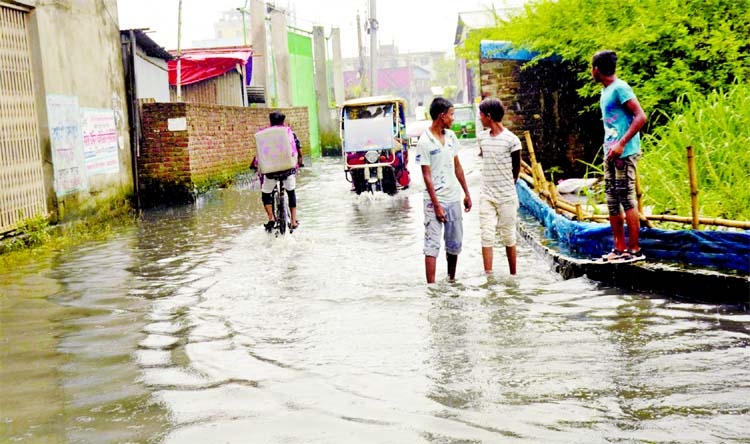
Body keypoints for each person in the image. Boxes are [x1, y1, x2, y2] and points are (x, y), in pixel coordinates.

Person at [591, 50, 647, 262]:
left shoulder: (620, 88)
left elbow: (640, 116)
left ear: (596, 70)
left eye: (591, 68)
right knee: (612, 201)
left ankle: (634, 249)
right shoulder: (605, 91)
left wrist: (622, 144)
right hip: (610, 152)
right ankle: (619, 248)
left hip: (625, 152)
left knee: (627, 198)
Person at [414, 97, 472, 283]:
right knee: (431, 244)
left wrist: (467, 193)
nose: (453, 118)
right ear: (442, 116)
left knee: (454, 243)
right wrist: (437, 205)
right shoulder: (424, 141)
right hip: (433, 201)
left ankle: (451, 279)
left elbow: (457, 167)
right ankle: (431, 287)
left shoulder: (451, 137)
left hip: (453, 197)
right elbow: (426, 176)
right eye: (451, 114)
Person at [477, 97, 521, 275]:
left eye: (481, 114)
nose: (479, 118)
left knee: (508, 236)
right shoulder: (482, 138)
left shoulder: (512, 140)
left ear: (489, 116)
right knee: (486, 235)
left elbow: (516, 168)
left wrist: (509, 184)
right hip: (486, 194)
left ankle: (513, 275)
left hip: (506, 196)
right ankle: (489, 276)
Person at [258, 111, 304, 232]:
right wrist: (300, 161)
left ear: (270, 122)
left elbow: (260, 153)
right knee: (291, 192)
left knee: (266, 194)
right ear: (283, 121)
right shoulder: (289, 133)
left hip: (270, 173)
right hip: (287, 171)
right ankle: (293, 221)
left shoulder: (264, 135)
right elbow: (298, 149)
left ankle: (271, 217)